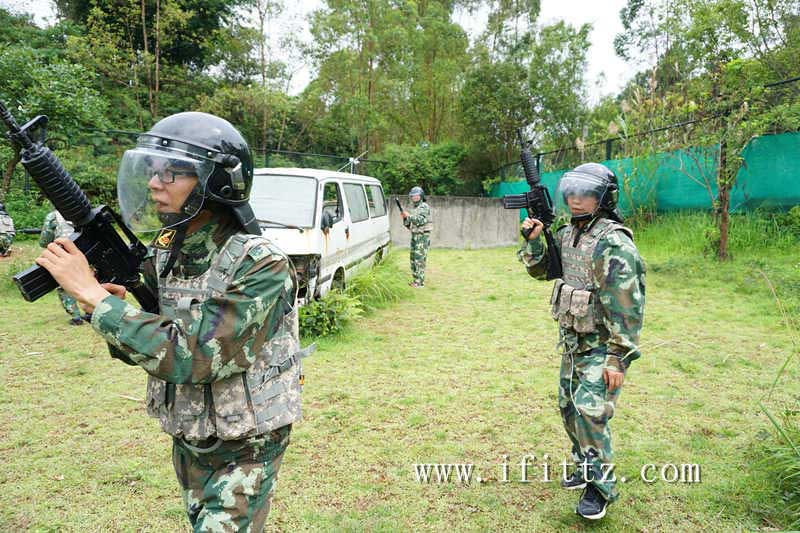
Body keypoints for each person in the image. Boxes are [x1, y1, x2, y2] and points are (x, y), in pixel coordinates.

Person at [34, 112, 310, 531]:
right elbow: (154, 343)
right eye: (154, 171)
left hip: (246, 442)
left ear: (213, 184)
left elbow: (199, 356)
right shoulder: (167, 252)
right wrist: (118, 308)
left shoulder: (262, 265)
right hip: (191, 432)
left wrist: (93, 296)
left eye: (173, 173)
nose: (154, 183)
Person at [517, 163, 645, 520]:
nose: (576, 199)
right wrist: (534, 241)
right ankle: (584, 466)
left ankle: (599, 489)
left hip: (602, 346)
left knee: (590, 414)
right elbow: (544, 271)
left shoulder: (613, 243)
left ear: (603, 198)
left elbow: (628, 305)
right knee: (568, 409)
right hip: (573, 343)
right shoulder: (569, 233)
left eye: (586, 193)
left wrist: (618, 358)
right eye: (572, 192)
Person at [39, 209, 85, 325]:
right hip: (87, 253)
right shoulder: (85, 212)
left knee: (64, 286)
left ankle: (76, 317)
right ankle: (93, 311)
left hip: (67, 255)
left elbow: (44, 241)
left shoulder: (53, 217)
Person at [401, 186, 432, 287]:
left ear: (421, 196)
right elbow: (409, 225)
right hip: (415, 236)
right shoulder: (415, 208)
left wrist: (408, 216)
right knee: (413, 259)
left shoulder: (424, 206)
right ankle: (415, 280)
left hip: (422, 237)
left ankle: (420, 282)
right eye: (412, 196)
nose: (414, 197)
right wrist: (405, 219)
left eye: (416, 195)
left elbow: (421, 220)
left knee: (419, 259)